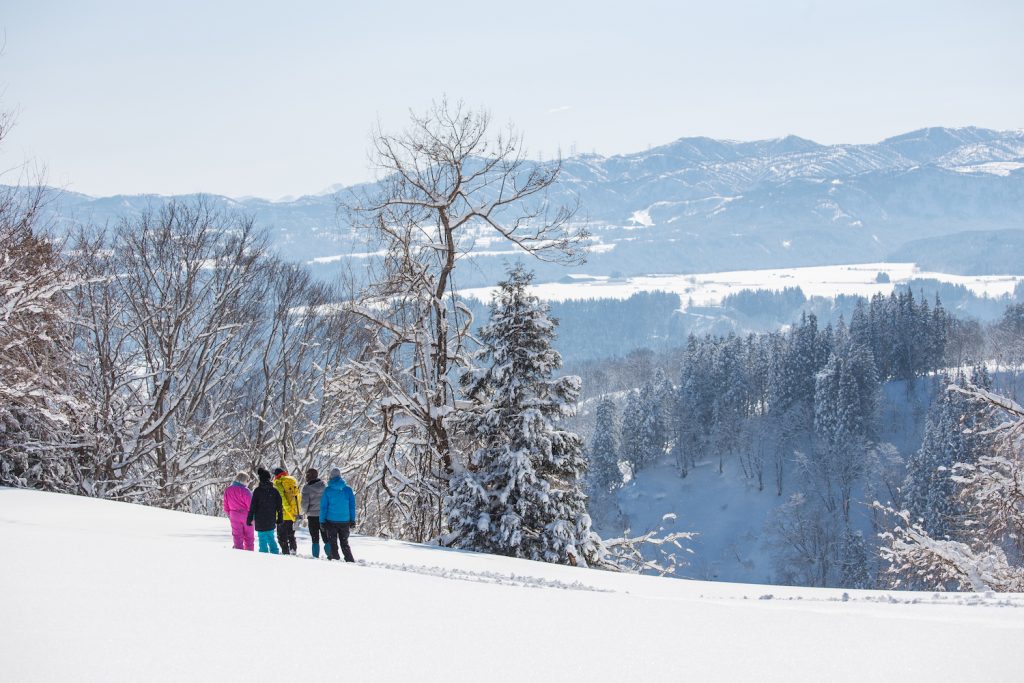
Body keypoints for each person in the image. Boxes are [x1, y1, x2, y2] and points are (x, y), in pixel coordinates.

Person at [319, 466, 356, 562]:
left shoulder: (328, 490)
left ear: (331, 477)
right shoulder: (348, 490)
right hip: (345, 520)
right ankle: (349, 559)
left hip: (331, 521)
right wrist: (352, 519)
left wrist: (322, 521)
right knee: (344, 542)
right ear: (340, 476)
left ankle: (334, 558)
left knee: (332, 542)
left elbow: (323, 507)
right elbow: (352, 506)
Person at [247, 467, 283, 554]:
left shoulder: (257, 491)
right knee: (271, 537)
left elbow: (253, 506)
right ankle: (275, 553)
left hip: (260, 519)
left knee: (262, 538)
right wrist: (280, 518)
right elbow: (279, 506)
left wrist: (249, 518)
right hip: (271, 518)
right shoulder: (274, 491)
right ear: (269, 478)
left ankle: (263, 555)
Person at [272, 467, 301, 555]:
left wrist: (287, 511)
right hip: (292, 513)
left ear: (276, 476)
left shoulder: (278, 483)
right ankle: (293, 550)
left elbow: (281, 500)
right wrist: (294, 513)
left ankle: (286, 553)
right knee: (291, 534)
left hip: (282, 514)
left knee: (281, 536)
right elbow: (298, 498)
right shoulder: (292, 482)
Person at [222, 471, 254, 551]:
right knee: (249, 536)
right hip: (246, 516)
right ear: (244, 480)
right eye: (247, 481)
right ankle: (249, 553)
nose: (248, 483)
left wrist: (230, 515)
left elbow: (226, 506)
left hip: (234, 515)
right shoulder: (246, 491)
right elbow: (251, 506)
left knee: (237, 536)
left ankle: (238, 552)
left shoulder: (228, 490)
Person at [300, 468, 327, 558]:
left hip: (312, 517)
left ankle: (315, 557)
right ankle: (331, 556)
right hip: (323, 516)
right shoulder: (324, 486)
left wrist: (306, 511)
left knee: (315, 539)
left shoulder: (306, 488)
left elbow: (304, 504)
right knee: (326, 538)